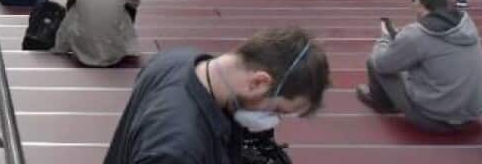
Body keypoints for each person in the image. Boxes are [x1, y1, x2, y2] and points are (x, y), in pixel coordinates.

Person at [103, 26, 330, 164]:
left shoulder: (177, 59)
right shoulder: (178, 148)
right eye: (278, 110)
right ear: (258, 82)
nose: (273, 120)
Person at [356, 0, 482, 132]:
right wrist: (402, 38)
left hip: (436, 119)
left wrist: (385, 39)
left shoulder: (417, 34)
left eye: (409, 1)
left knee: (374, 61)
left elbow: (381, 63)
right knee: (414, 61)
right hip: (473, 114)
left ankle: (382, 102)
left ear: (418, 1)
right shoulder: (465, 23)